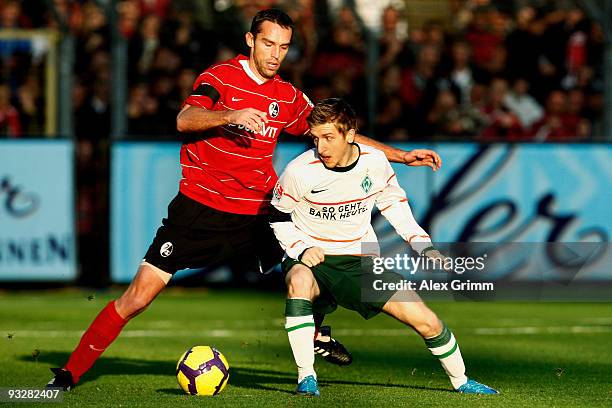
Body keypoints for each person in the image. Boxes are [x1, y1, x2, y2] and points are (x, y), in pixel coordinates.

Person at [47, 9, 443, 390]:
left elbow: (337, 132)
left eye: (284, 47)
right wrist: (230, 115)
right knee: (137, 297)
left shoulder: (286, 96)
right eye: (268, 44)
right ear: (251, 40)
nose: (275, 54)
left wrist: (401, 155)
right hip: (199, 209)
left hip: (259, 211)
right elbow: (185, 119)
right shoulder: (220, 77)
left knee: (318, 262)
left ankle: (318, 331)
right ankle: (70, 372)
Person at [270, 98, 498, 396]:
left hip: (358, 261)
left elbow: (393, 204)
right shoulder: (300, 170)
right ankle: (306, 377)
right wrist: (301, 248)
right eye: (315, 138)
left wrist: (423, 245)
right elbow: (277, 216)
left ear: (350, 134)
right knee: (298, 281)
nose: (321, 147)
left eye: (328, 138)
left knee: (426, 321)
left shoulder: (374, 162)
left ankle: (462, 381)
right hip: (311, 259)